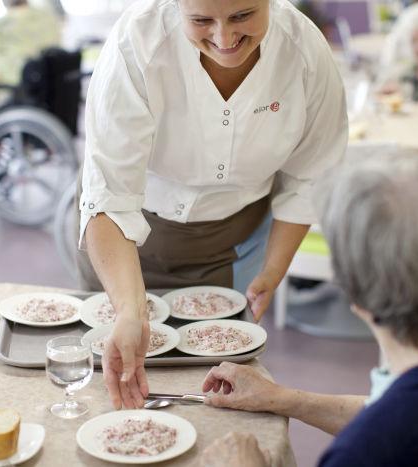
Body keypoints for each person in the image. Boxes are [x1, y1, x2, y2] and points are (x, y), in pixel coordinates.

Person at [198, 152, 418, 467]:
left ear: (356, 293)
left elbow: (400, 425)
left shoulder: (369, 450)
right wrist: (283, 399)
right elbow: (400, 410)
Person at [77, 0, 347, 409]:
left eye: (243, 16)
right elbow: (109, 193)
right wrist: (129, 310)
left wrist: (272, 272)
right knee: (119, 393)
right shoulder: (138, 42)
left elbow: (311, 174)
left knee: (212, 397)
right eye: (201, 20)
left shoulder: (304, 52)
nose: (225, 39)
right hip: (121, 244)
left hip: (230, 247)